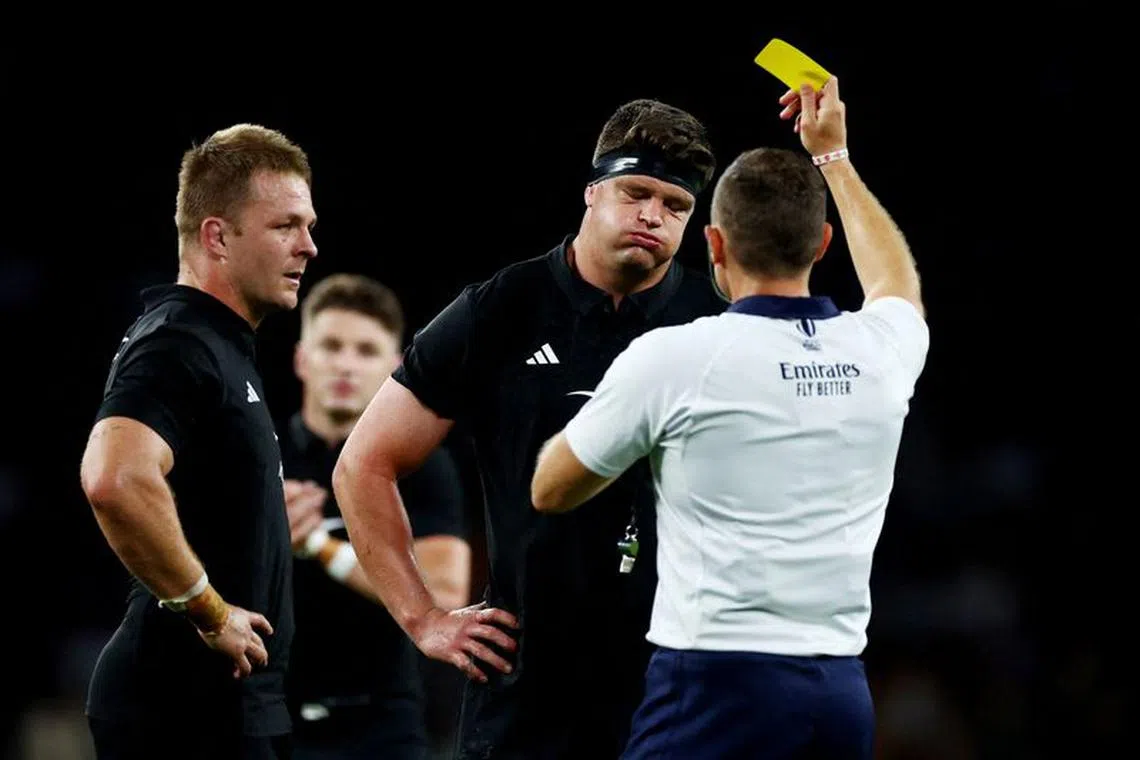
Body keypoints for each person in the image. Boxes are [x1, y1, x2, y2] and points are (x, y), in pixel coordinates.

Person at [530, 77, 929, 759]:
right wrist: (833, 157)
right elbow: (896, 283)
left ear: (713, 244)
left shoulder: (676, 358)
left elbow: (551, 488)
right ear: (822, 243)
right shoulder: (882, 350)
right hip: (840, 694)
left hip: (715, 685)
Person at [332, 99, 726, 758]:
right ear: (592, 191)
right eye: (635, 193)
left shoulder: (716, 322)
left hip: (673, 685)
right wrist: (422, 617)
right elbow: (363, 463)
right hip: (524, 692)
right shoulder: (501, 310)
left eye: (676, 205)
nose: (653, 216)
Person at [79, 124, 318, 760]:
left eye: (308, 226)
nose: (309, 246)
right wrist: (208, 609)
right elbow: (114, 479)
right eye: (285, 226)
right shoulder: (178, 340)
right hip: (181, 708)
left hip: (225, 705)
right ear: (217, 236)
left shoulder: (220, 345)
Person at [279, 273, 471, 759]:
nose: (345, 364)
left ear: (394, 368)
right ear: (301, 358)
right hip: (267, 716)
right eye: (331, 346)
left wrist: (319, 546)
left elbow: (444, 594)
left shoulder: (421, 465)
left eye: (366, 351)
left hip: (381, 723)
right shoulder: (262, 458)